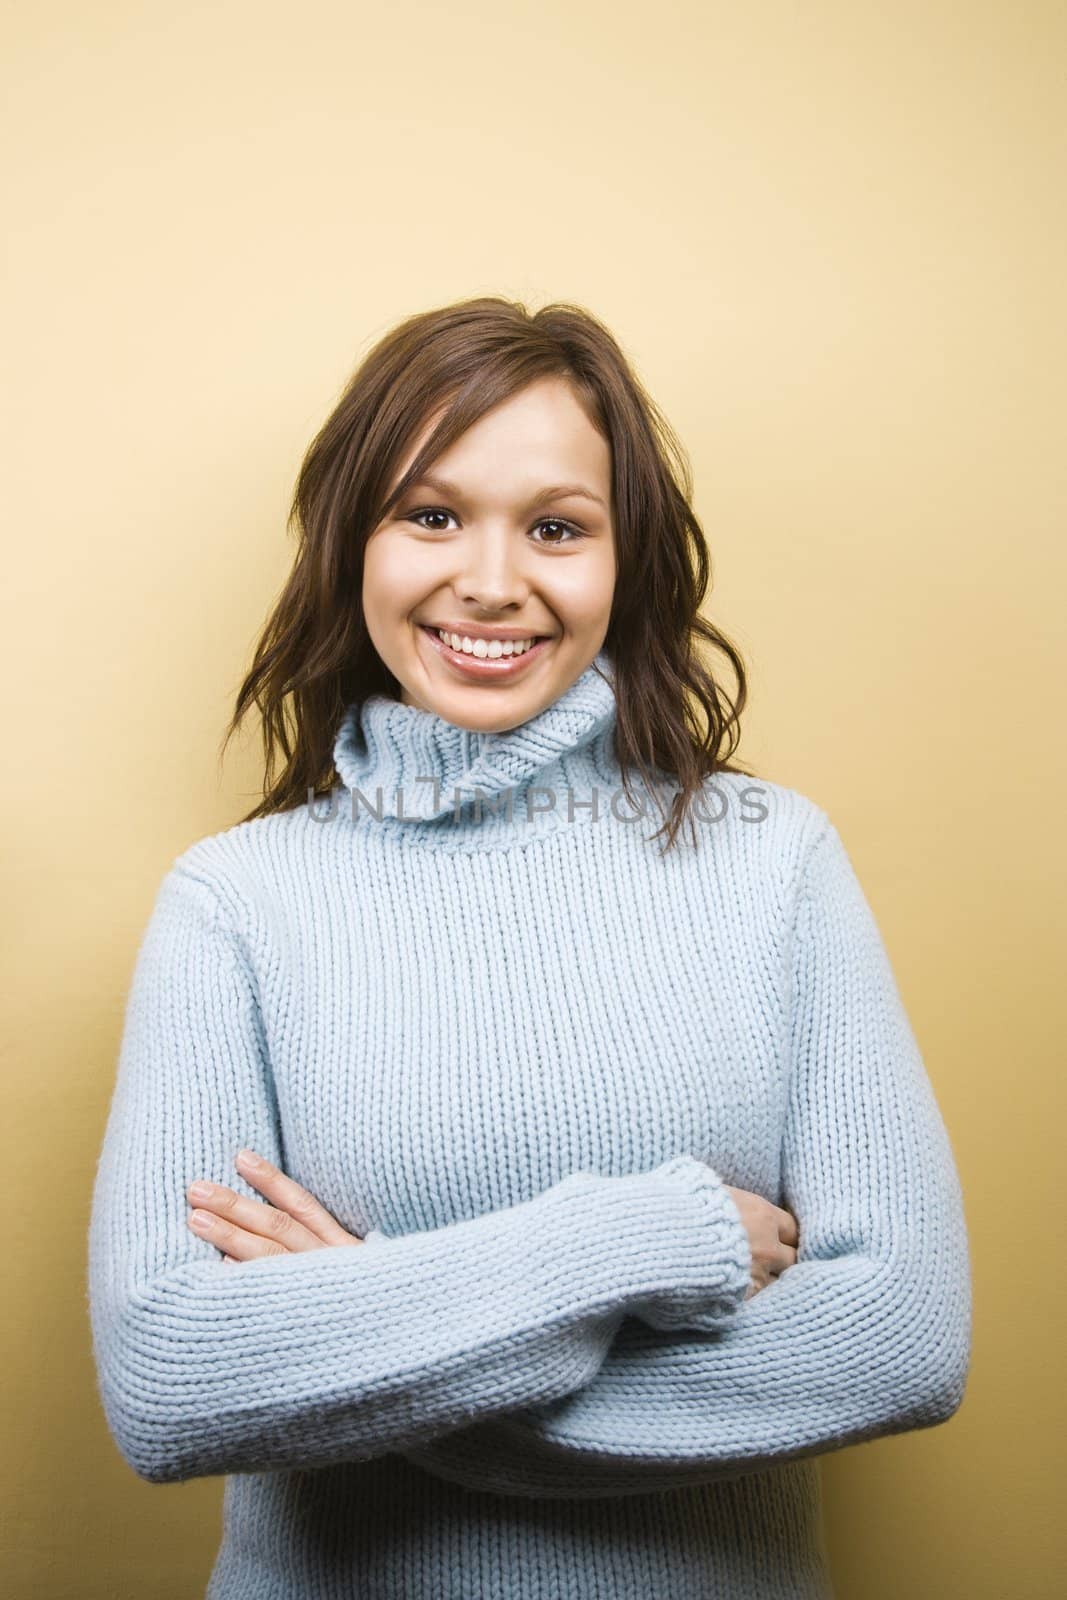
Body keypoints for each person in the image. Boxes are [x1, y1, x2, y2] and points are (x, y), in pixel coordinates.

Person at [87, 295, 972, 1599]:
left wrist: (372, 1332)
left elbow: (901, 1340)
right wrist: (646, 1240)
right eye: (430, 514)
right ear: (352, 543)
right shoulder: (237, 902)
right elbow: (170, 1382)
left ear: (628, 564)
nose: (491, 580)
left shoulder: (772, 859)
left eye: (557, 527)